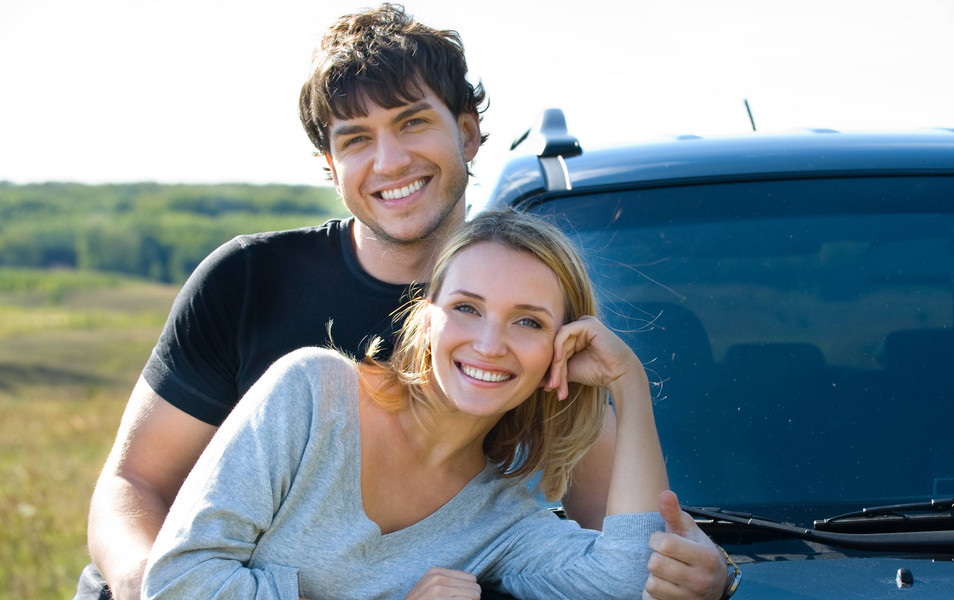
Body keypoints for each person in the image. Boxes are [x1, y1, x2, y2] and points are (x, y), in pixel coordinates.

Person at [78, 4, 730, 600]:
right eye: (355, 138)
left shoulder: (513, 354)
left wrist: (711, 571)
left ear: (469, 135)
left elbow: (627, 551)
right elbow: (134, 486)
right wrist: (146, 586)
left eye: (412, 122)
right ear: (329, 165)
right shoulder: (251, 285)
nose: (390, 161)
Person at [143, 209, 668, 599]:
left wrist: (629, 385)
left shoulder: (501, 518)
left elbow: (628, 579)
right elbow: (176, 584)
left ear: (561, 346)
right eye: (466, 308)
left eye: (528, 321)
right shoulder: (311, 394)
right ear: (426, 316)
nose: (489, 343)